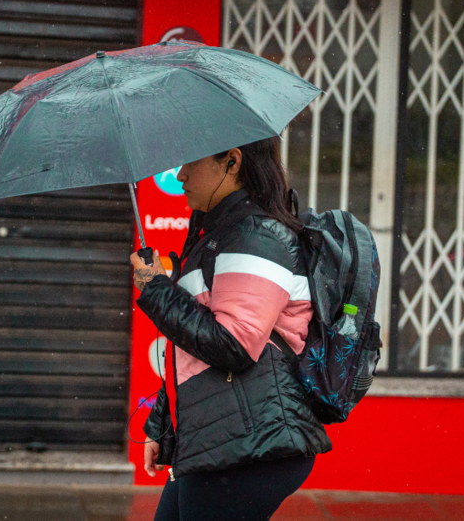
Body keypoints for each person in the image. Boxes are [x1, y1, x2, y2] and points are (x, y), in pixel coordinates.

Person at [130, 137, 330, 521]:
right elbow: (194, 349)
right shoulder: (218, 233)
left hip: (250, 444)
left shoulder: (255, 235)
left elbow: (233, 345)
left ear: (232, 162)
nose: (181, 174)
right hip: (221, 437)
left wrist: (157, 290)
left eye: (192, 162)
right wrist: (164, 423)